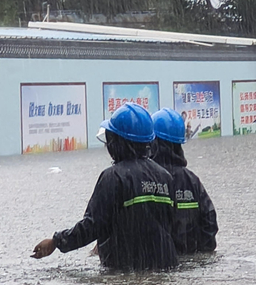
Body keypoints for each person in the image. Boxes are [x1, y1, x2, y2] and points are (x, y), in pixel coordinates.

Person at [31, 103, 179, 270]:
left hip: (125, 272)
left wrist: (57, 241)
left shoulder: (113, 177)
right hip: (166, 267)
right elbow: (170, 225)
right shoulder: (165, 176)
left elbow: (92, 226)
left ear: (117, 142)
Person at [152, 108, 218, 254]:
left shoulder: (147, 179)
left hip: (160, 263)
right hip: (190, 260)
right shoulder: (192, 180)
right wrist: (200, 253)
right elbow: (210, 221)